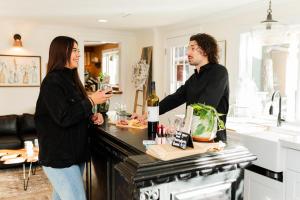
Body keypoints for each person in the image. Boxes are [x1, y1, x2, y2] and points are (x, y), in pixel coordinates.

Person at [34, 36, 112, 200]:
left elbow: (75, 111)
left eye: (78, 50)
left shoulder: (73, 80)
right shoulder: (52, 82)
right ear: (62, 52)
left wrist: (92, 116)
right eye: (74, 50)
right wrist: (91, 100)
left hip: (75, 154)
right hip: (59, 157)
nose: (78, 54)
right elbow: (64, 117)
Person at [159, 33, 229, 142]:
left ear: (205, 51)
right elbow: (175, 98)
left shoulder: (219, 72)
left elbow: (204, 106)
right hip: (190, 137)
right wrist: (149, 113)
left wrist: (178, 127)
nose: (188, 53)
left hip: (211, 140)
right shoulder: (194, 78)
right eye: (188, 48)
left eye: (192, 48)